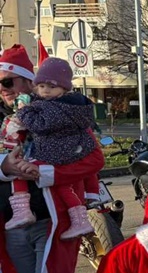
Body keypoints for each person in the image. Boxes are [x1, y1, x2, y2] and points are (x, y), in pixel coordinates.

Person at [0, 44, 105, 273]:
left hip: (53, 218)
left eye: (8, 81)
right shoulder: (7, 118)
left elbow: (94, 160)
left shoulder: (55, 113)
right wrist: (5, 167)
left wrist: (48, 173)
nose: (3, 89)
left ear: (29, 82)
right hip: (13, 221)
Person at [5, 58, 97, 239]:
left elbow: (39, 125)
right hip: (62, 154)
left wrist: (23, 111)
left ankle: (22, 211)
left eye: (51, 87)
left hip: (50, 155)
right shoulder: (70, 106)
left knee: (18, 171)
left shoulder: (54, 107)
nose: (45, 90)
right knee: (64, 188)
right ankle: (80, 220)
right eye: (41, 86)